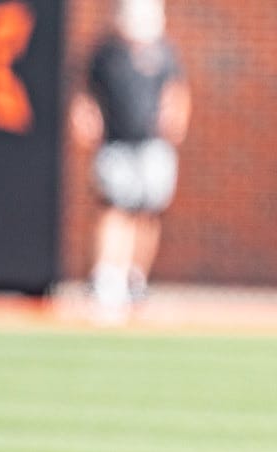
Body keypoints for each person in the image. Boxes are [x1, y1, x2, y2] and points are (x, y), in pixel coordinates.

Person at [70, 0, 191, 322]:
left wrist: (176, 119)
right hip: (116, 143)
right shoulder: (106, 53)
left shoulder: (165, 52)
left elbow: (176, 92)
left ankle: (135, 278)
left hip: (153, 145)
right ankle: (108, 276)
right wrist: (84, 116)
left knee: (147, 212)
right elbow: (85, 93)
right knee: (114, 208)